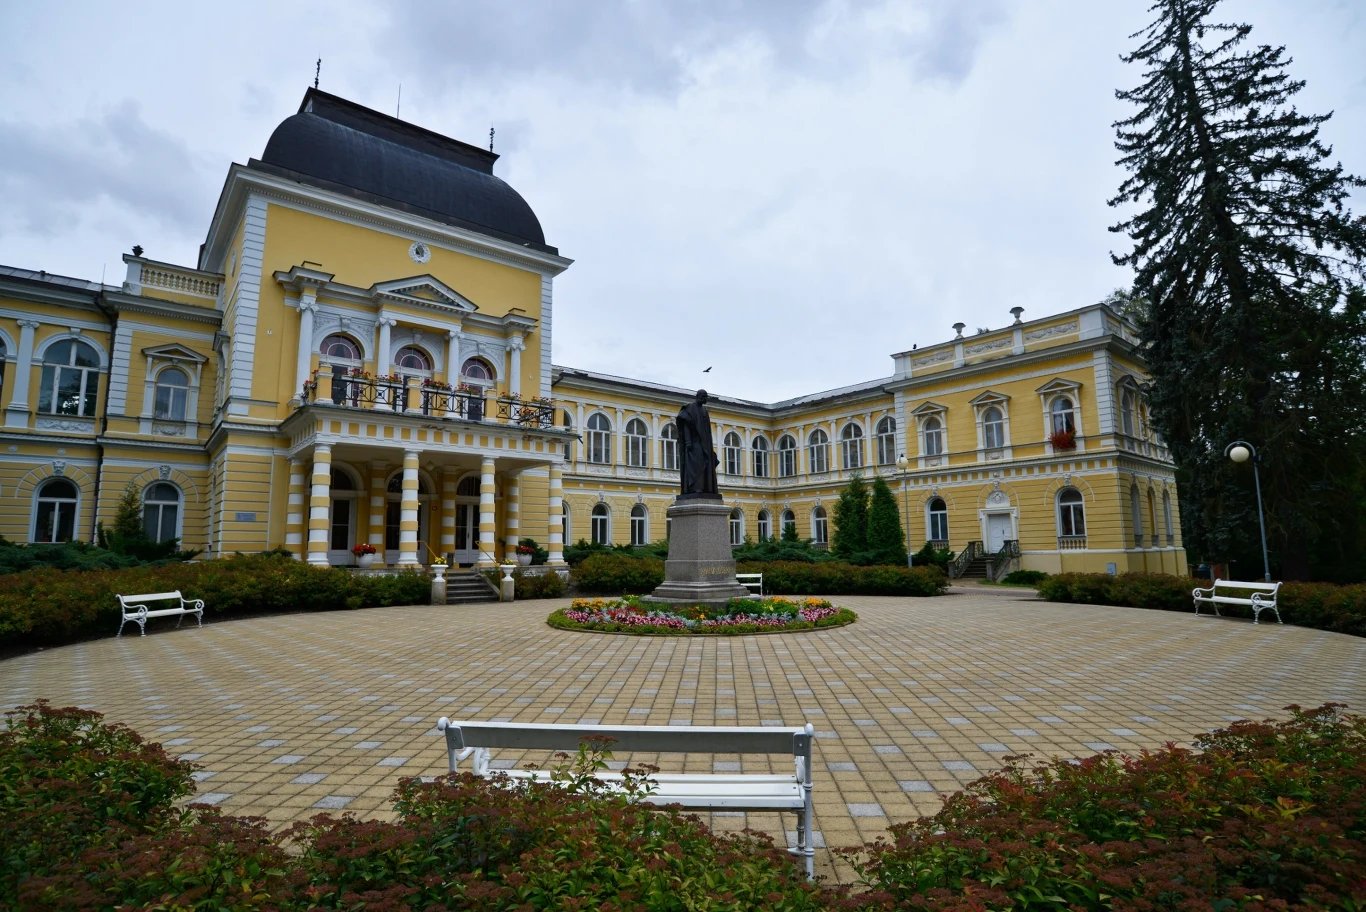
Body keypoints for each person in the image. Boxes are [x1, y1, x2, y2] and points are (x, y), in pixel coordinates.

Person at [676, 389, 719, 497]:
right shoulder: (689, 408)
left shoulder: (704, 411)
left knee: (706, 465)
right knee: (696, 466)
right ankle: (695, 487)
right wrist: (688, 442)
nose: (705, 399)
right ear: (698, 396)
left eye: (706, 397)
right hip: (694, 443)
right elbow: (685, 426)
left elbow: (707, 432)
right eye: (703, 396)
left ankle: (705, 487)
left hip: (705, 444)